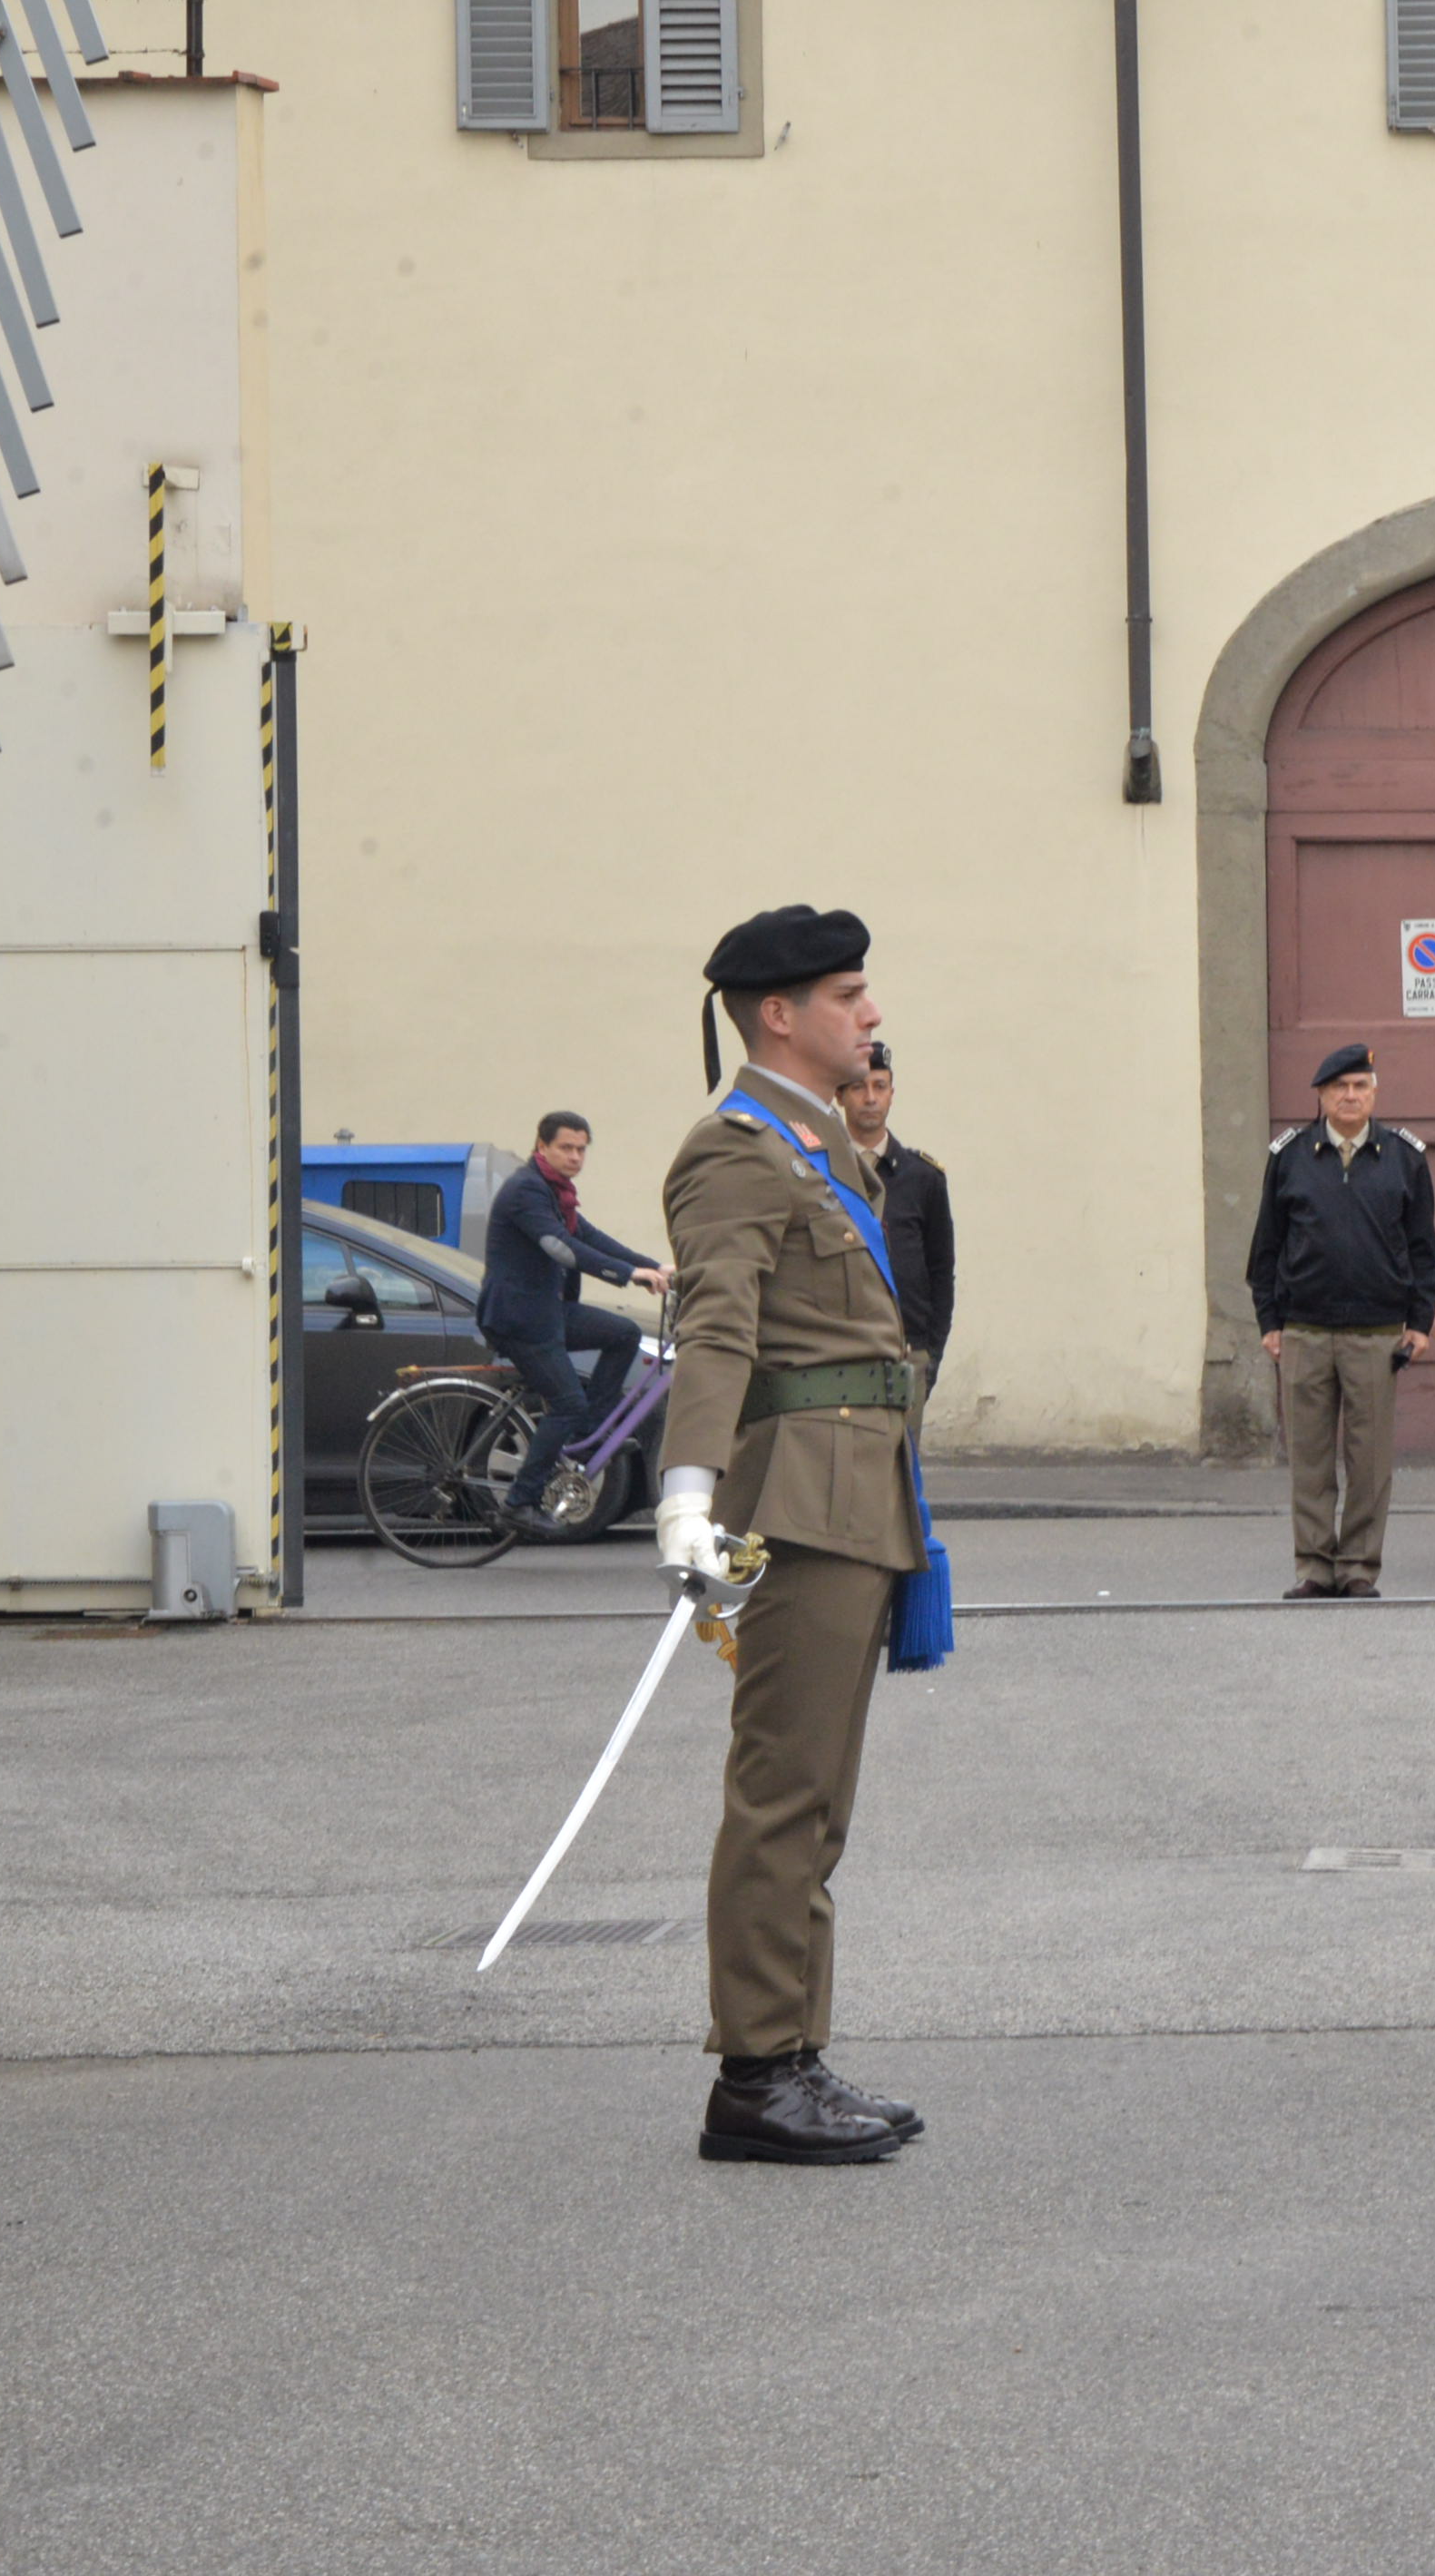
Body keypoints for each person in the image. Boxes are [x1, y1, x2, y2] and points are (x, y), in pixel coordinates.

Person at [654, 904, 928, 2167]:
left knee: (818, 1800)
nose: (871, 1014)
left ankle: (795, 2050)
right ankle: (756, 2075)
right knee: (782, 1792)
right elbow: (716, 1330)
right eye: (848, 994)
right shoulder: (738, 1153)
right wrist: (687, 1494)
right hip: (802, 1502)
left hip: (858, 1493)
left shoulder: (819, 1146)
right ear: (779, 1014)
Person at [1248, 1044, 1435, 1600]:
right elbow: (1266, 1248)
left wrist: (1419, 1320)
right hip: (1305, 1331)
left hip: (1376, 1334)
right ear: (1321, 1095)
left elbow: (1424, 1249)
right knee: (1309, 1459)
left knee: (1369, 1461)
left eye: (1360, 1086)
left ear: (1374, 1093)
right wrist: (1270, 1320)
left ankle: (1357, 1567)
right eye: (1339, 1088)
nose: (1350, 1096)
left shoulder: (1404, 1157)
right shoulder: (1290, 1156)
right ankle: (1314, 1566)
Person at [481, 1109, 666, 1531]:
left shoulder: (556, 1193)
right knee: (566, 1403)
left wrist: (653, 1267)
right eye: (566, 1148)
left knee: (624, 1334)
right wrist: (628, 1275)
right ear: (541, 1146)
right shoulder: (526, 1191)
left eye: (582, 1149)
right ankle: (519, 1503)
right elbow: (561, 1248)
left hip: (547, 1312)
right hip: (520, 1319)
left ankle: (587, 1438)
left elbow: (591, 1238)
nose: (576, 1157)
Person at [844, 1040, 957, 1422]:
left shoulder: (923, 1178)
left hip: (908, 1354)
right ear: (840, 1095)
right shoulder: (821, 1172)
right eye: (858, 1087)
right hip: (839, 1357)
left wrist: (931, 1354)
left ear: (892, 1094)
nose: (870, 1098)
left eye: (880, 1086)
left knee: (904, 1459)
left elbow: (940, 1272)